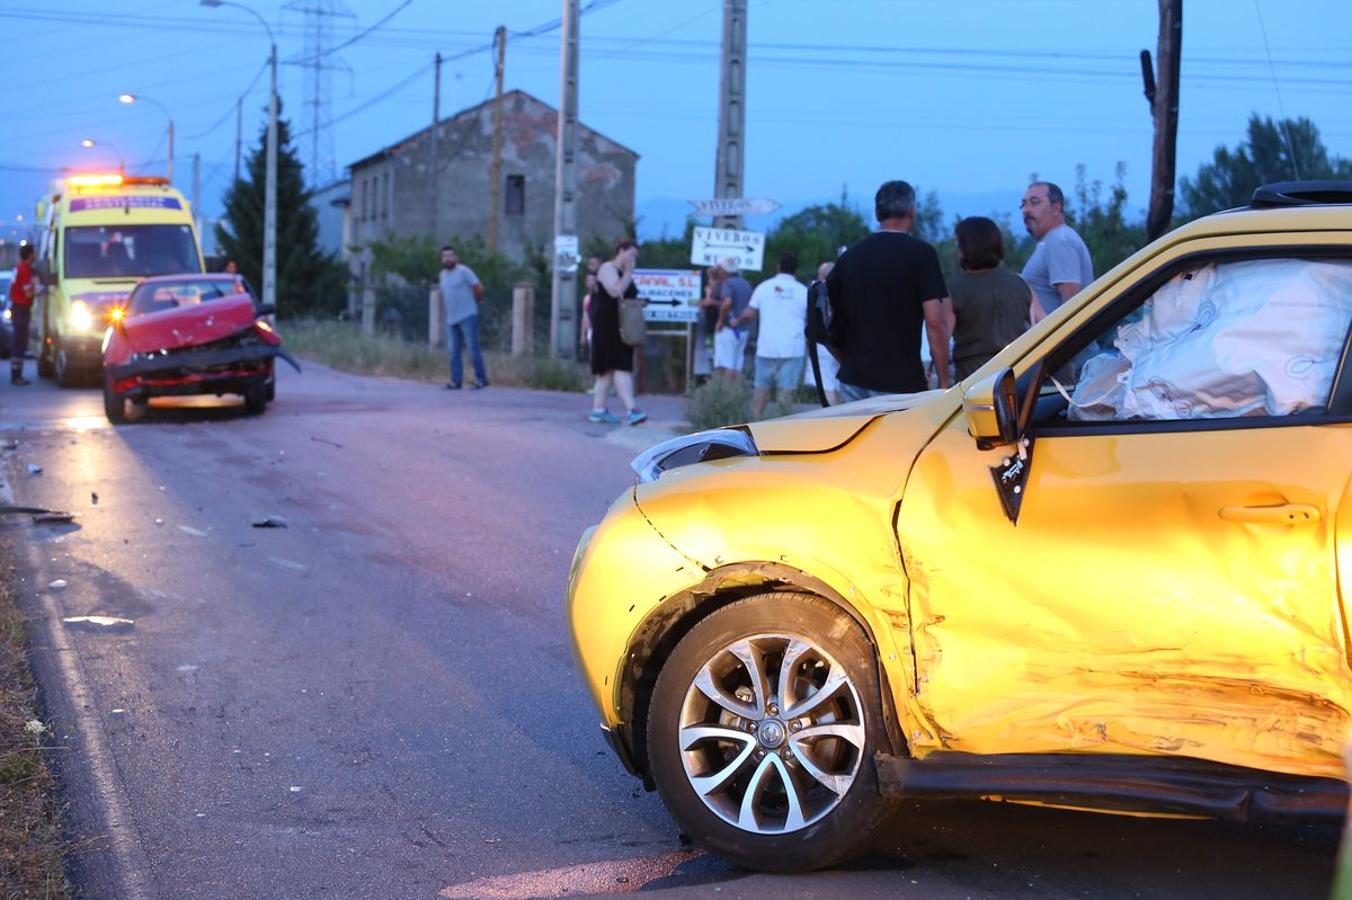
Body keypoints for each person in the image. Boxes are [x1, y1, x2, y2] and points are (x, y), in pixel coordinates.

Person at [826, 180, 951, 400]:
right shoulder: (922, 255)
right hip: (902, 381)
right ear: (911, 211)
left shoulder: (849, 258)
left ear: (877, 213)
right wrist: (943, 381)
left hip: (853, 379)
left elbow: (831, 321)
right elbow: (935, 321)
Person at [949, 217, 1033, 380]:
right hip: (1016, 372)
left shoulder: (955, 290)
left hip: (971, 376)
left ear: (967, 248)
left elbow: (941, 335)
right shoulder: (1020, 284)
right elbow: (1040, 325)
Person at [730, 252, 808, 419]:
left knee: (761, 388)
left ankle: (756, 423)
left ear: (778, 267)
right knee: (786, 390)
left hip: (766, 347)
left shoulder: (764, 287)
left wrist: (736, 322)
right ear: (796, 270)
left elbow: (749, 313)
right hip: (793, 348)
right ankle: (783, 424)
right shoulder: (803, 291)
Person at [588, 238, 646, 426]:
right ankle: (631, 409)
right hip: (608, 325)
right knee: (618, 366)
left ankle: (598, 409)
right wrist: (629, 272)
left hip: (621, 324)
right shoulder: (607, 268)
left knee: (608, 370)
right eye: (631, 254)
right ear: (621, 250)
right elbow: (615, 291)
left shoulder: (623, 272)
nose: (633, 259)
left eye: (635, 256)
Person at [1019, 181, 1094, 323]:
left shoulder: (1059, 241)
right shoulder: (1051, 241)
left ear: (1056, 208)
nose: (1026, 210)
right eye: (1023, 204)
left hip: (1066, 344)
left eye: (1034, 203)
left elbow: (1072, 309)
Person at [439, 244, 487, 389]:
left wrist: (473, 303)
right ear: (442, 259)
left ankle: (481, 378)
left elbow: (479, 288)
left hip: (467, 315)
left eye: (451, 255)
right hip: (451, 318)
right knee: (453, 351)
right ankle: (456, 380)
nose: (448, 259)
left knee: (473, 349)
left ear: (456, 257)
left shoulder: (464, 271)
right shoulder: (442, 275)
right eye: (445, 256)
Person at [804, 261, 842, 405]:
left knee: (827, 384)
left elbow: (814, 319)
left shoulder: (820, 291)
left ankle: (833, 418)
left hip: (825, 341)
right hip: (843, 343)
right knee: (839, 383)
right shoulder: (846, 288)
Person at [713, 258, 753, 381]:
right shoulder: (746, 284)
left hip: (729, 329)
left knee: (726, 364)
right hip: (743, 329)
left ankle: (726, 396)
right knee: (737, 365)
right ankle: (737, 394)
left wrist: (720, 320)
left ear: (723, 270)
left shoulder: (727, 283)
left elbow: (727, 302)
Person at [692, 264, 726, 383]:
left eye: (710, 279)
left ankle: (715, 378)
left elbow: (712, 303)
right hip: (709, 329)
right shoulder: (712, 291)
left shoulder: (721, 289)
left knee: (716, 354)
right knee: (709, 353)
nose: (708, 282)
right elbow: (704, 303)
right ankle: (709, 377)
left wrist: (708, 297)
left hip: (717, 328)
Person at [9, 244, 35, 386]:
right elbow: (28, 292)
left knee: (18, 341)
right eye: (34, 253)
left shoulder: (19, 268)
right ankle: (16, 375)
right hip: (21, 309)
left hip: (18, 308)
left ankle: (16, 374)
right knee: (20, 342)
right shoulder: (24, 269)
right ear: (30, 255)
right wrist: (39, 291)